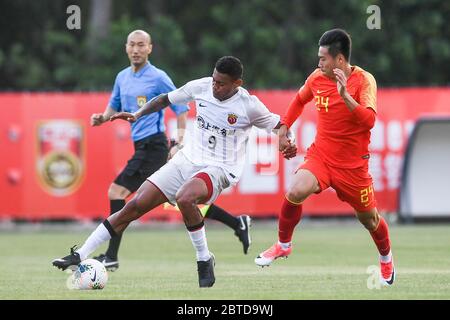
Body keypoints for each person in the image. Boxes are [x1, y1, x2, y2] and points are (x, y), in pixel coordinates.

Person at [52, 56, 297, 287]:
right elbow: (164, 100)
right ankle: (80, 255)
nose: (215, 86)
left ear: (237, 83)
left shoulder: (248, 105)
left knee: (185, 197)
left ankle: (203, 259)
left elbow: (280, 126)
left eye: (221, 84)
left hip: (220, 168)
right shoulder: (200, 87)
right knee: (134, 206)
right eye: (214, 80)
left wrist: (288, 141)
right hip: (186, 159)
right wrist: (137, 114)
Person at [90, 30, 252, 272]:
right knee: (179, 199)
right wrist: (102, 118)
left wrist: (178, 142)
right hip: (140, 146)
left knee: (118, 192)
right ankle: (237, 223)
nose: (136, 50)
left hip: (154, 146)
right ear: (126, 48)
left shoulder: (158, 77)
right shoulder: (122, 77)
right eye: (132, 45)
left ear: (150, 48)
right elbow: (114, 104)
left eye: (141, 45)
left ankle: (111, 255)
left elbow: (180, 108)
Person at [254, 29, 395, 286]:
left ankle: (386, 259)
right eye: (318, 59)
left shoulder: (364, 81)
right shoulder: (317, 78)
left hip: (353, 167)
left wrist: (345, 96)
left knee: (370, 219)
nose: (319, 63)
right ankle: (283, 244)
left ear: (340, 60)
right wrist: (284, 128)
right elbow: (298, 100)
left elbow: (369, 121)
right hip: (322, 156)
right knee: (296, 190)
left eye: (323, 59)